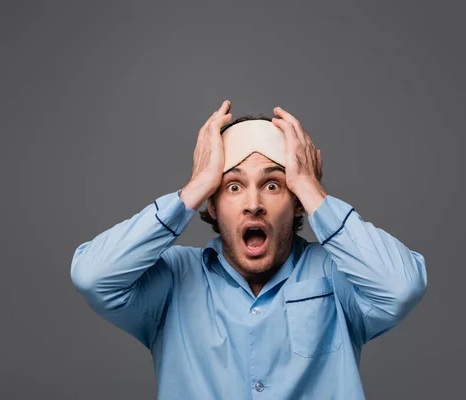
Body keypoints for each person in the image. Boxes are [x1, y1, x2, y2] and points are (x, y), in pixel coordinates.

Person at [70, 100, 427, 399]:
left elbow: (401, 287)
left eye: (273, 185)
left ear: (296, 202)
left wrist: (309, 185)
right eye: (233, 187)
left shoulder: (336, 274)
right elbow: (93, 276)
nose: (253, 204)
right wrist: (194, 188)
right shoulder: (173, 280)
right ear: (212, 204)